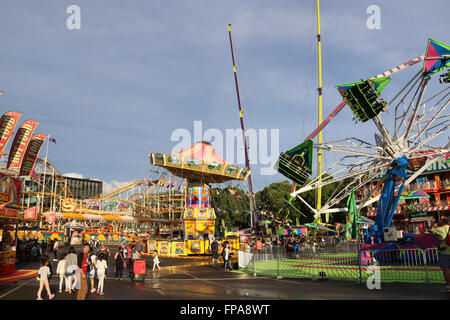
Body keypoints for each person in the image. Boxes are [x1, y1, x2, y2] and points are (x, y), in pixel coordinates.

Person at [431, 217, 450, 293]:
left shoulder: (441, 229)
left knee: (446, 270)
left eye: (439, 221)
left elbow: (430, 230)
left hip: (444, 253)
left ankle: (448, 286)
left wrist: (432, 223)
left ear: (442, 222)